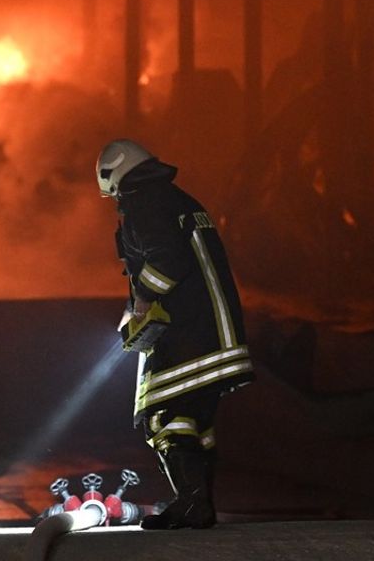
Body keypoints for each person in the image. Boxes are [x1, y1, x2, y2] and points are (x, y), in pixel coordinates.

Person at [96, 138, 254, 530]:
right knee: (194, 421)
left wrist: (143, 302)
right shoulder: (176, 198)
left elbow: (167, 260)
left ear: (114, 175)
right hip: (216, 333)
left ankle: (192, 504)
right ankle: (196, 503)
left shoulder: (144, 202)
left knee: (161, 415)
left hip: (189, 334)